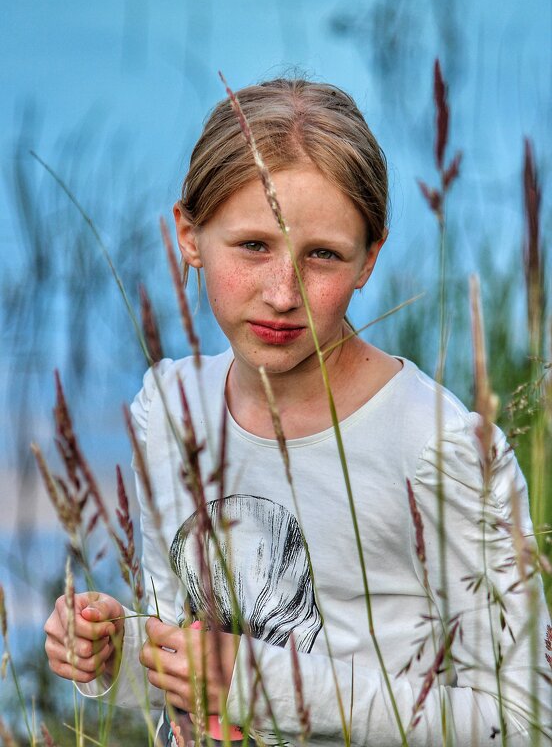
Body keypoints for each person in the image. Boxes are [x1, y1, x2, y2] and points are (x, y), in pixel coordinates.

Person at [44, 78, 551, 746]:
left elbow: (526, 721)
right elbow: (199, 680)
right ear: (188, 235)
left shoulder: (439, 448)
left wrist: (261, 686)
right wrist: (116, 655)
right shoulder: (169, 411)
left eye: (322, 256)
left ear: (370, 257)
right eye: (253, 245)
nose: (283, 293)